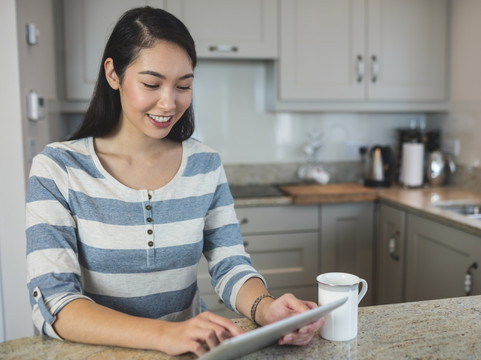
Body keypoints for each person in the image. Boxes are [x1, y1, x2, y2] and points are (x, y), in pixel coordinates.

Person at [25, 6, 323, 357]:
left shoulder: (204, 164)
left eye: (184, 85)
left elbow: (230, 264)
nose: (169, 102)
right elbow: (55, 302)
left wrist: (265, 307)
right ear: (113, 74)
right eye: (151, 84)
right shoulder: (58, 168)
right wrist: (165, 335)